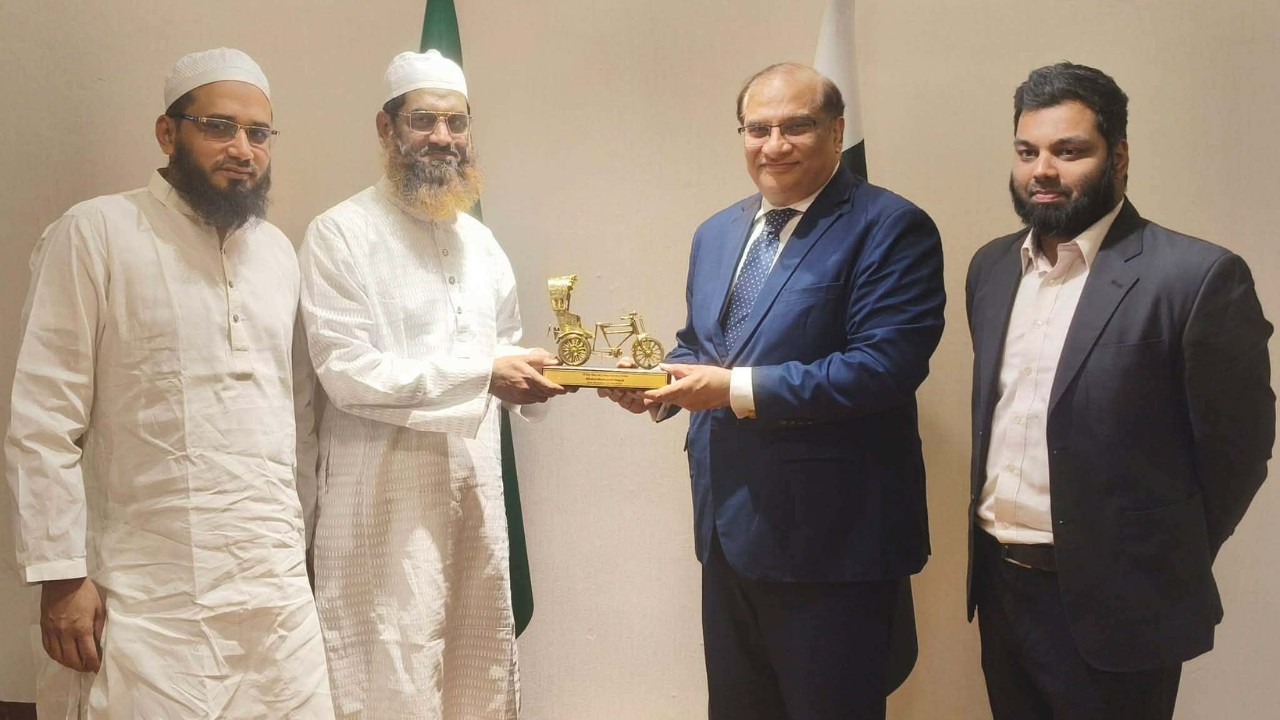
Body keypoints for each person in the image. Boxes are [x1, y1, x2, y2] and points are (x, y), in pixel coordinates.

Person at [602, 62, 945, 719]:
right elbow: (701, 345)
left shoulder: (890, 227)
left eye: (796, 126)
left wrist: (731, 388)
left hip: (833, 545)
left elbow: (883, 367)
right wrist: (658, 386)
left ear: (837, 132)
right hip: (727, 532)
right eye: (757, 129)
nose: (774, 145)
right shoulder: (718, 232)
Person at [5, 48, 333, 718]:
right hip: (146, 595)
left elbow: (296, 416)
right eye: (219, 126)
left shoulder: (277, 253)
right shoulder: (96, 231)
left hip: (273, 591)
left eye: (258, 133)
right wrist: (60, 575)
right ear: (167, 132)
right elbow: (43, 417)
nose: (242, 148)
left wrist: (301, 547)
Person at [965, 61, 1274, 719]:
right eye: (1028, 151)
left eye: (1069, 151)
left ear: (1119, 157)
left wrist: (1150, 554)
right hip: (1001, 590)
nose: (1043, 170)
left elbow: (1238, 454)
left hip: (1123, 605)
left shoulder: (1196, 277)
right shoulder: (991, 269)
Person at [298, 49, 565, 719]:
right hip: (380, 507)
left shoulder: (481, 244)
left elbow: (503, 347)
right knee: (390, 665)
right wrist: (484, 373)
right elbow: (347, 373)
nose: (442, 137)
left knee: (475, 669)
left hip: (475, 496)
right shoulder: (339, 234)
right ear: (386, 128)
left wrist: (544, 375)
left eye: (457, 122)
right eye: (423, 120)